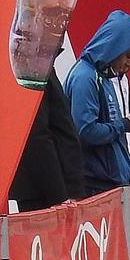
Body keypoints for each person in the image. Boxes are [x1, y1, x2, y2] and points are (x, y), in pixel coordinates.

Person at [63, 10, 130, 197]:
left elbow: (113, 140)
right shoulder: (85, 78)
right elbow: (86, 131)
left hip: (108, 183)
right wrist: (126, 124)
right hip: (93, 186)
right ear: (112, 47)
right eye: (127, 55)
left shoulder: (103, 78)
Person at [9, 67, 84, 211]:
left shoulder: (39, 68)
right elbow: (38, 137)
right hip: (44, 190)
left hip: (52, 187)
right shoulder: (31, 71)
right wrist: (60, 195)